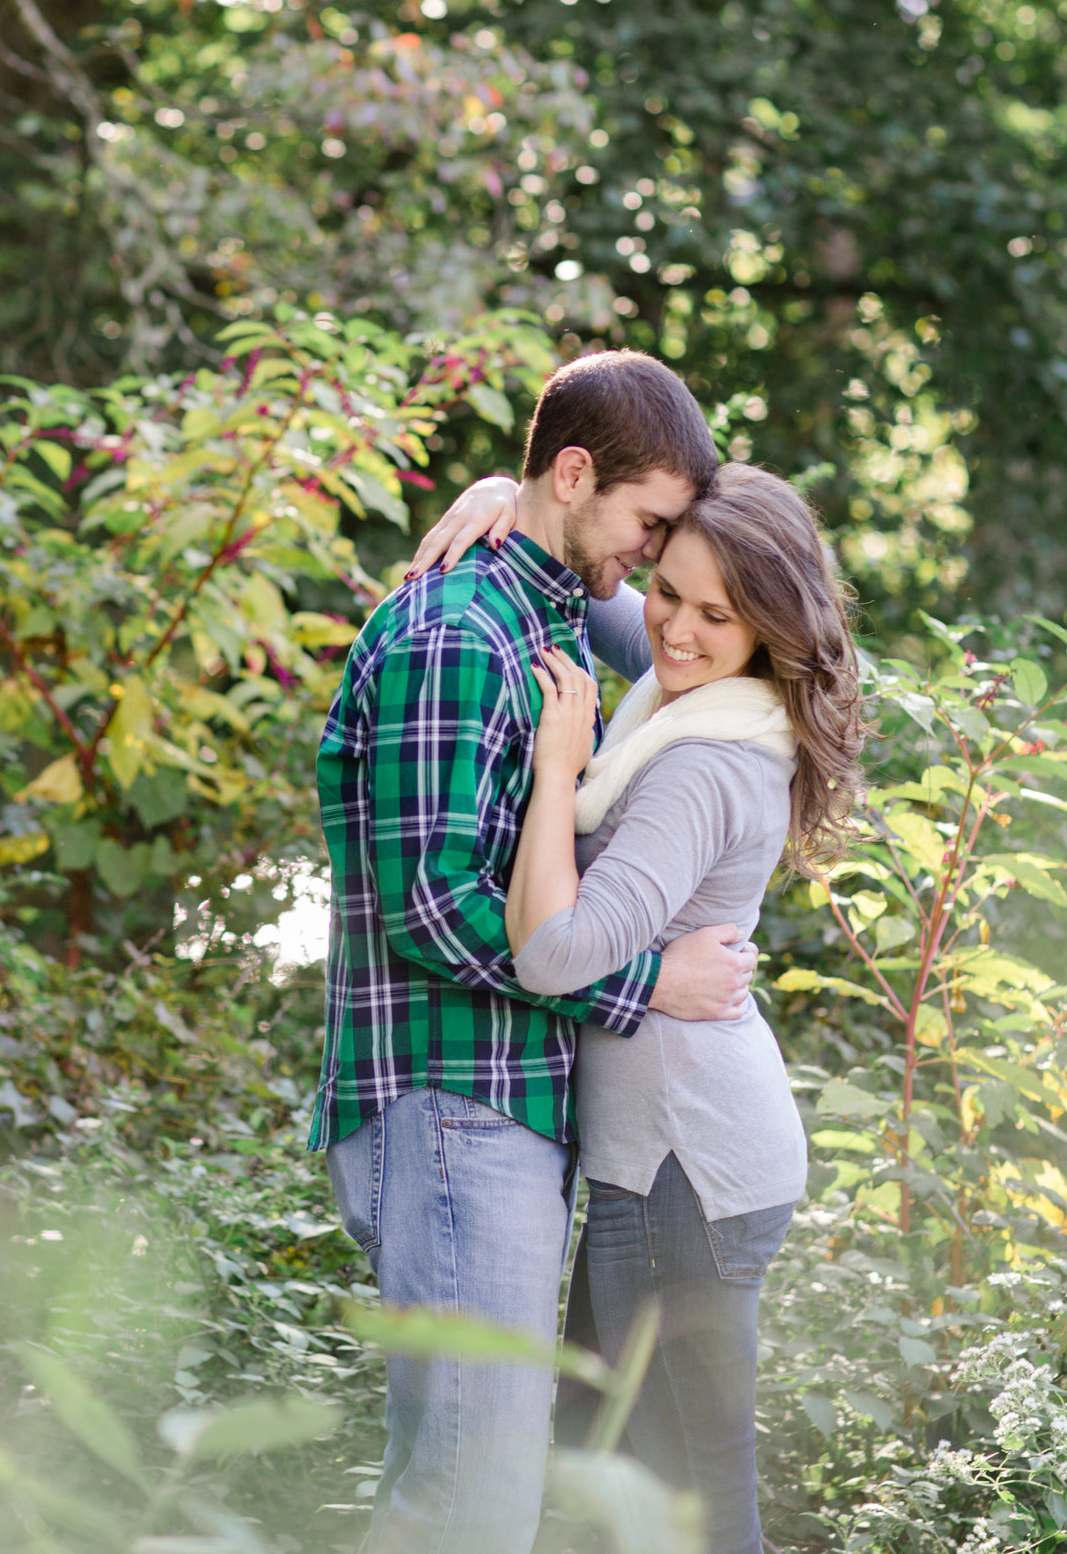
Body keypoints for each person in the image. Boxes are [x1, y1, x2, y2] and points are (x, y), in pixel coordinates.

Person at [313, 350, 763, 1554]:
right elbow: (432, 903)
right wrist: (644, 981)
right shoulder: (461, 631)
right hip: (451, 1107)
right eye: (647, 525)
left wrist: (492, 491)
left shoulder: (545, 609)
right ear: (573, 473)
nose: (655, 561)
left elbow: (756, 638)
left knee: (472, 1487)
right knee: (468, 1501)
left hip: (498, 1109)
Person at [407, 463, 865, 1554]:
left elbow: (560, 953)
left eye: (719, 614)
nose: (677, 629)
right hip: (664, 1163)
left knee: (697, 1514)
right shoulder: (688, 694)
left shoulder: (694, 763)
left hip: (682, 1171)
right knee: (602, 1492)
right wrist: (500, 496)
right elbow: (597, 583)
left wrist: (561, 765)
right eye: (670, 590)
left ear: (767, 626)